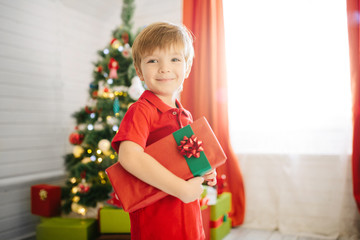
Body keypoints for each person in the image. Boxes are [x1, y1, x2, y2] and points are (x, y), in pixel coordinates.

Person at [111, 22, 217, 240]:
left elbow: (185, 158)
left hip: (188, 221)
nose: (164, 68)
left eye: (175, 59)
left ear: (187, 67)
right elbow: (129, 156)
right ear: (139, 70)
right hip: (157, 224)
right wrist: (182, 189)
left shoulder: (184, 114)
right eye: (153, 60)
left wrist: (204, 170)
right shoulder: (141, 110)